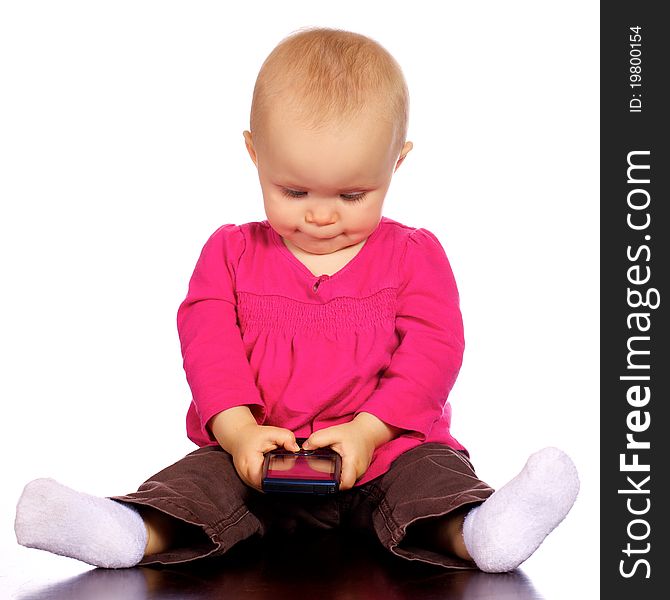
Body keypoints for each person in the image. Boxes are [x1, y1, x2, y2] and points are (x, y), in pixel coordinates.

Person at [14, 27, 579, 573]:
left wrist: (369, 430)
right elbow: (209, 349)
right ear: (254, 154)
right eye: (295, 191)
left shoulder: (413, 255)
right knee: (196, 487)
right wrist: (238, 434)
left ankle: (480, 531)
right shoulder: (230, 252)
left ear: (396, 163)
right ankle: (127, 531)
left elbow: (433, 354)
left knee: (430, 480)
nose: (321, 214)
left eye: (353, 194)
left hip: (384, 452)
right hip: (258, 453)